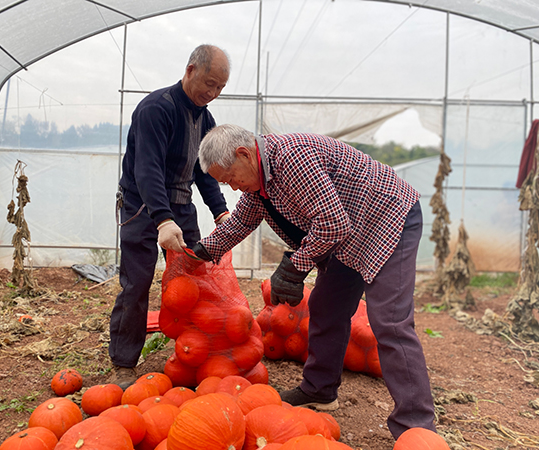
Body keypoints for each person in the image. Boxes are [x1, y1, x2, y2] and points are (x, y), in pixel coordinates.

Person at [192, 124, 437, 439]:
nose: (234, 188)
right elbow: (240, 221)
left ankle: (417, 428)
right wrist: (200, 252)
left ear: (244, 154)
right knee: (326, 306)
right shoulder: (259, 183)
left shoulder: (292, 159)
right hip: (347, 234)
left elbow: (332, 224)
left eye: (231, 179)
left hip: (386, 221)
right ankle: (320, 390)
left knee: (390, 322)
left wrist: (295, 267)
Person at [109, 45, 232, 389]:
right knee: (137, 283)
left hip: (180, 205)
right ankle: (123, 361)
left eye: (220, 88)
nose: (212, 93)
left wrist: (220, 211)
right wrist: (162, 220)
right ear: (191, 70)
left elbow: (205, 172)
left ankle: (195, 353)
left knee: (193, 282)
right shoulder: (156, 109)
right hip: (142, 206)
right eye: (209, 83)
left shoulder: (205, 119)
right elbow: (146, 169)